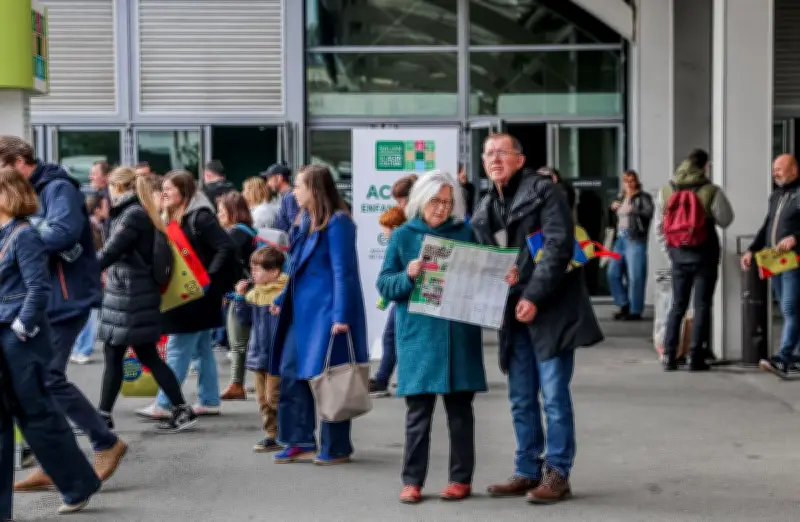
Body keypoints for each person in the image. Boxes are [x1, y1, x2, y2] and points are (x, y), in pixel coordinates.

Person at [472, 133, 603, 504]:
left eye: (502, 152)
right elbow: (488, 259)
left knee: (554, 396)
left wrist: (532, 294)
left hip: (551, 310)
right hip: (513, 315)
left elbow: (558, 246)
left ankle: (557, 473)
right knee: (520, 397)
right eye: (488, 153)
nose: (494, 158)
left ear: (520, 159)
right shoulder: (486, 205)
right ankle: (527, 469)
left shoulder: (545, 191)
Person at [0, 136, 127, 493]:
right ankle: (54, 463)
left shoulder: (57, 188)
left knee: (49, 378)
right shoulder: (38, 189)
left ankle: (104, 443)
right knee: (39, 381)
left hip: (65, 297)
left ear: (18, 162)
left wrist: (18, 237)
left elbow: (62, 232)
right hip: (49, 297)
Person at [377, 170, 488, 504]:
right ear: (421, 200)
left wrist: (501, 278)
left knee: (460, 413)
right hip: (420, 337)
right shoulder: (403, 235)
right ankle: (412, 481)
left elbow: (483, 279)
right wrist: (408, 274)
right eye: (436, 201)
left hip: (458, 335)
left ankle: (460, 480)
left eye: (448, 203)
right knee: (417, 415)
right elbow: (385, 284)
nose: (441, 208)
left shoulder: (465, 232)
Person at [0, 167, 101, 517]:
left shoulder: (24, 234)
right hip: (8, 331)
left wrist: (21, 327)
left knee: (36, 413)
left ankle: (78, 484)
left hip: (19, 336)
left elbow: (38, 287)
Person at [271, 164, 368, 465]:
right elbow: (295, 267)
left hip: (327, 313)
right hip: (300, 312)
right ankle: (299, 440)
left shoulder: (338, 222)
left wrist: (342, 315)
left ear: (314, 189)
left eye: (299, 186)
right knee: (290, 373)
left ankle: (336, 447)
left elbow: (343, 272)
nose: (293, 192)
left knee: (329, 377)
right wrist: (280, 298)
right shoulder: (305, 220)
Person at [96, 167, 198, 432]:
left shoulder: (132, 215)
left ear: (118, 187)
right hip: (132, 295)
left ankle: (103, 416)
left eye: (109, 187)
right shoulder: (137, 212)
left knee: (118, 353)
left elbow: (111, 251)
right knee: (142, 355)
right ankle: (180, 408)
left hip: (130, 297)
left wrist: (84, 270)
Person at [135, 171, 236, 419]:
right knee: (201, 349)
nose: (165, 193)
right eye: (163, 188)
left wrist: (208, 278)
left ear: (184, 192)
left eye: (170, 189)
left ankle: (164, 403)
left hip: (195, 294)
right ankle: (209, 400)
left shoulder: (200, 217)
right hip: (193, 293)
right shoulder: (177, 214)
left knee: (178, 348)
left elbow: (226, 246)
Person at [655, 148, 734, 371]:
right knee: (702, 306)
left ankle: (669, 355)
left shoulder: (666, 190)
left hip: (678, 255)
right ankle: (695, 357)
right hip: (705, 256)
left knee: (677, 305)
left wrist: (670, 253)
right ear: (705, 166)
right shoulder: (711, 190)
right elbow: (726, 220)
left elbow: (659, 227)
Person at [743, 154, 800, 377]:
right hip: (775, 260)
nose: (775, 173)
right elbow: (767, 225)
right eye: (774, 169)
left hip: (794, 260)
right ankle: (795, 356)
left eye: (779, 169)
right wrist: (752, 249)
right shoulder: (776, 195)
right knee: (790, 310)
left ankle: (783, 358)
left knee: (789, 308)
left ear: (794, 170)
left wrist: (796, 238)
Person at [233, 246, 288, 452]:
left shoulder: (284, 292)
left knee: (275, 396)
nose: (253, 273)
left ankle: (288, 433)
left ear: (274, 272)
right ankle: (271, 434)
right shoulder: (254, 294)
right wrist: (240, 298)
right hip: (258, 353)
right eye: (252, 269)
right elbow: (244, 320)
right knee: (262, 399)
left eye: (258, 269)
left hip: (277, 355)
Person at [217, 191, 257, 401]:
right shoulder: (248, 231)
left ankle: (237, 383)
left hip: (242, 292)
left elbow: (225, 263)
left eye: (222, 211)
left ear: (232, 212)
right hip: (250, 290)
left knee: (238, 341)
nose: (218, 215)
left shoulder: (236, 234)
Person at [368, 206, 407, 398]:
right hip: (404, 297)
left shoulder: (399, 243)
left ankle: (382, 380)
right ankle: (384, 379)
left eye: (386, 229)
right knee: (393, 338)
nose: (384, 234)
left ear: (395, 228)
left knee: (391, 337)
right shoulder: (403, 241)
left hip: (404, 299)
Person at [607, 170, 654, 321]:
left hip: (635, 238)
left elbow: (649, 212)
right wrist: (612, 208)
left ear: (636, 181)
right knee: (612, 273)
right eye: (625, 181)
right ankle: (624, 303)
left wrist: (633, 210)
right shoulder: (620, 197)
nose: (628, 184)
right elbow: (614, 219)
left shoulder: (643, 197)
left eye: (631, 180)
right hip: (620, 238)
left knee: (635, 276)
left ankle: (635, 310)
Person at [70, 194, 110, 365]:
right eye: (105, 206)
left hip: (90, 275)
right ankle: (82, 349)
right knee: (91, 312)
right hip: (89, 276)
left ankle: (80, 347)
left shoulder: (97, 227)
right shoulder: (90, 228)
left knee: (90, 312)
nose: (108, 209)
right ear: (97, 209)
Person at [264, 164, 300, 232]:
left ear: (279, 177)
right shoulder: (285, 195)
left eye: (269, 179)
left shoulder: (290, 196)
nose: (268, 183)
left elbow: (296, 227)